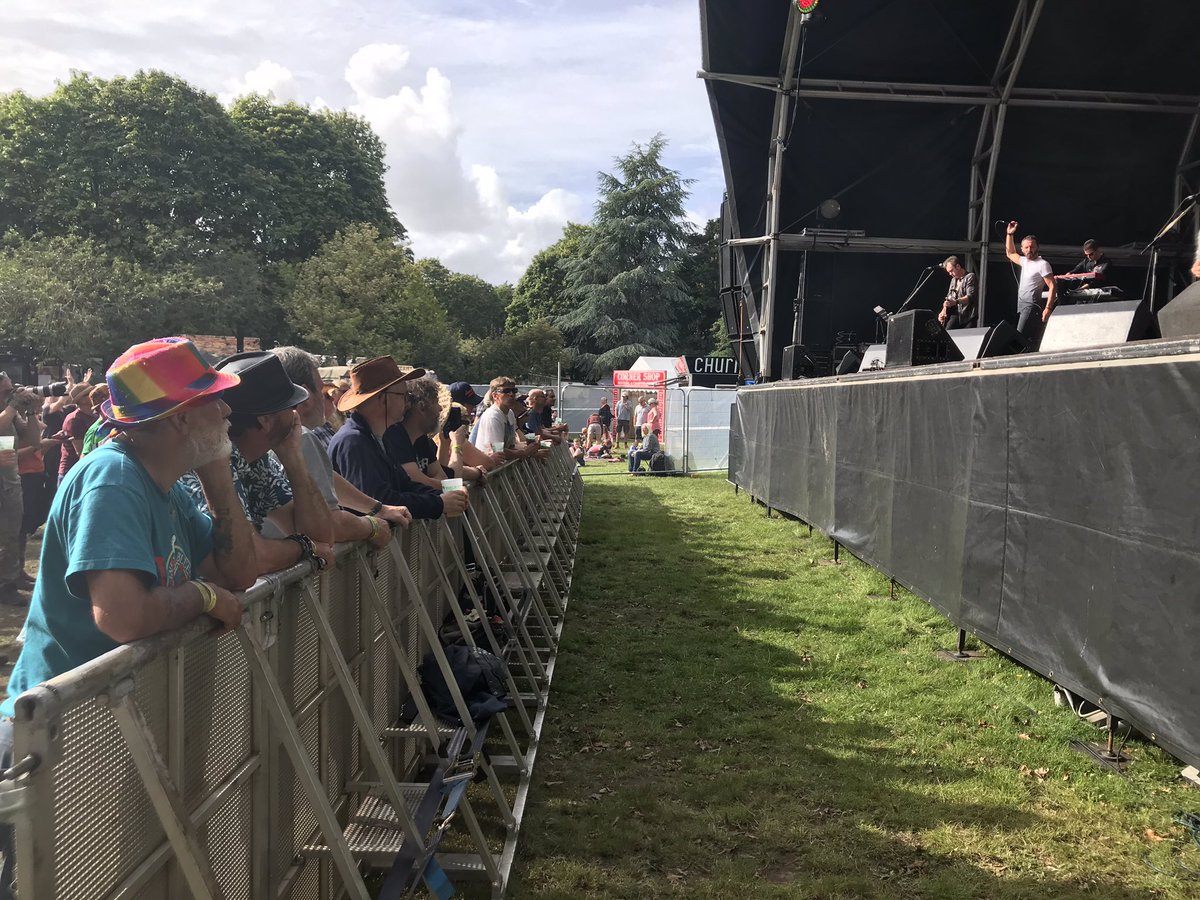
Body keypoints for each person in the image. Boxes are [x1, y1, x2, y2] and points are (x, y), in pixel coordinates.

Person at [0, 338, 258, 895]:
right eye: (214, 401)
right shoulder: (112, 477)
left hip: (108, 729)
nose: (228, 411)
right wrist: (204, 597)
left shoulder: (171, 489)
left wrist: (218, 475)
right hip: (59, 739)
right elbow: (121, 615)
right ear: (180, 418)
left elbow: (238, 572)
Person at [178, 351, 336, 575]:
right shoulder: (217, 456)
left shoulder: (255, 461)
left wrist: (293, 459)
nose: (295, 413)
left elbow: (322, 536)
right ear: (266, 420)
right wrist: (304, 547)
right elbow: (250, 558)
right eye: (289, 406)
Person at [271, 347, 412, 548]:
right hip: (291, 575)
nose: (325, 398)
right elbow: (328, 524)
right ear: (304, 396)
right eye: (322, 390)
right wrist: (372, 526)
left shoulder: (269, 435)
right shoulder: (300, 437)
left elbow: (325, 477)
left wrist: (378, 509)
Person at [329, 357, 469, 520]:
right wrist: (439, 502)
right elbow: (380, 501)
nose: (408, 403)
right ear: (383, 399)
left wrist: (447, 495)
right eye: (403, 395)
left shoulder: (376, 437)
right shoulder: (354, 441)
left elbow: (404, 485)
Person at [1005, 221, 1057, 349]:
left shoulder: (1042, 264)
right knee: (1027, 340)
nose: (1029, 250)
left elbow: (1052, 286)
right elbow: (1010, 253)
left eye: (1032, 247)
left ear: (1037, 247)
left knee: (1019, 338)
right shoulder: (1024, 261)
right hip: (1022, 304)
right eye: (1026, 247)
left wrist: (1048, 308)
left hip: (1032, 306)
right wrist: (1009, 234)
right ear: (1022, 249)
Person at [937, 256, 978, 329]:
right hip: (956, 314)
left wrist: (956, 302)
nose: (950, 274)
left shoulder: (970, 277)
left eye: (951, 271)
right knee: (948, 334)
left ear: (958, 266)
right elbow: (949, 298)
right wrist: (943, 311)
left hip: (968, 316)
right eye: (949, 272)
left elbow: (970, 297)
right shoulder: (953, 280)